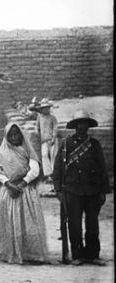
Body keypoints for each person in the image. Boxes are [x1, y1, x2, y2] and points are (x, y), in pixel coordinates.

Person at [52, 109, 109, 266]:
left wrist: (103, 191)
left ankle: (92, 255)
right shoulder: (66, 144)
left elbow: (102, 168)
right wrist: (58, 189)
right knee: (74, 224)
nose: (82, 127)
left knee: (92, 224)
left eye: (84, 124)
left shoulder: (94, 144)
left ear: (88, 127)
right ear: (75, 126)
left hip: (92, 190)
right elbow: (57, 168)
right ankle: (77, 255)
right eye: (79, 124)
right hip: (72, 190)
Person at [0, 122, 50, 265]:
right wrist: (8, 184)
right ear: (6, 137)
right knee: (11, 221)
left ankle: (32, 254)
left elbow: (34, 169)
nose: (14, 137)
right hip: (9, 191)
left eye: (16, 134)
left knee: (28, 221)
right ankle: (12, 252)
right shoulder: (2, 152)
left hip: (25, 191)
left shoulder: (27, 149)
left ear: (21, 134)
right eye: (10, 135)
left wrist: (22, 183)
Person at [34, 99, 59, 185]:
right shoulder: (39, 118)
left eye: (47, 108)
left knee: (53, 156)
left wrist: (54, 138)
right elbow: (37, 128)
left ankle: (54, 175)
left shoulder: (53, 118)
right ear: (41, 109)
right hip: (43, 141)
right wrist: (38, 134)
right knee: (44, 156)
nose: (46, 110)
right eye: (44, 108)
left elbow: (55, 128)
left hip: (52, 140)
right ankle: (48, 174)